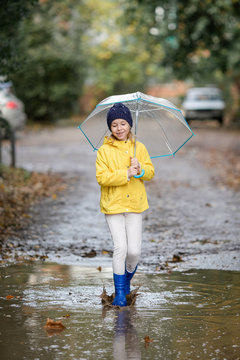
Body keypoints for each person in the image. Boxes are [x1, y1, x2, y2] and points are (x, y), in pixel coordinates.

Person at [96, 102, 155, 306]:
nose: (119, 128)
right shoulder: (103, 151)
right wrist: (125, 173)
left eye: (123, 123)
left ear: (130, 124)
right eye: (114, 125)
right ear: (110, 128)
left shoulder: (140, 148)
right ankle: (120, 293)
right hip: (113, 205)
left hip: (135, 205)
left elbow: (150, 172)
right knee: (120, 247)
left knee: (134, 252)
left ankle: (126, 281)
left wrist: (139, 170)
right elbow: (102, 178)